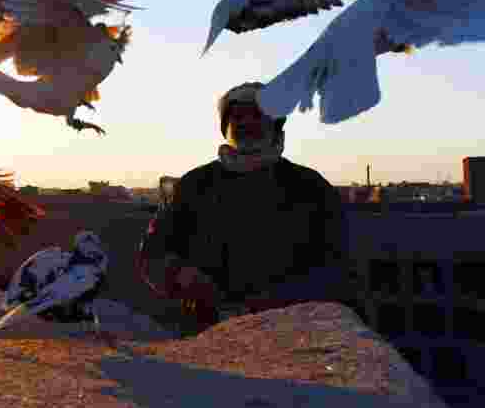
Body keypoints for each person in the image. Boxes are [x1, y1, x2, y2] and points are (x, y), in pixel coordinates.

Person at [137, 82, 348, 333]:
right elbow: (153, 254)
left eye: (257, 115)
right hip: (207, 334)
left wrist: (276, 301)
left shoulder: (309, 186)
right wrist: (181, 274)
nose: (247, 122)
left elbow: (338, 268)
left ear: (276, 125)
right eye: (237, 116)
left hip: (292, 336)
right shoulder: (194, 185)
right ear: (225, 127)